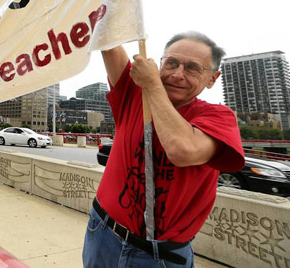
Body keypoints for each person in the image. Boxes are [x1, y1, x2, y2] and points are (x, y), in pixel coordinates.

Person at [82, 32, 245, 268]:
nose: (177, 74)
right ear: (159, 64)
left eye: (192, 68)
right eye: (171, 63)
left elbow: (181, 150)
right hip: (103, 232)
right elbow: (108, 39)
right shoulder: (132, 93)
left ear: (212, 79)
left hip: (159, 256)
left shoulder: (219, 117)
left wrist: (151, 85)